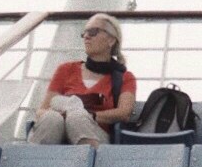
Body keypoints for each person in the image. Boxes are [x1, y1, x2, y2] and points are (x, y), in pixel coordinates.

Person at [32, 14, 137, 147]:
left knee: (78, 118)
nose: (86, 36)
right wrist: (61, 114)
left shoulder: (125, 78)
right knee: (51, 118)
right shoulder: (66, 69)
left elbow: (124, 113)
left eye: (93, 32)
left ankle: (87, 165)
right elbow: (42, 110)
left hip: (96, 134)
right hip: (59, 129)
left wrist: (89, 115)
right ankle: (38, 164)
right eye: (84, 32)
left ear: (111, 40)